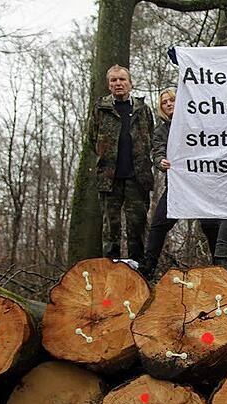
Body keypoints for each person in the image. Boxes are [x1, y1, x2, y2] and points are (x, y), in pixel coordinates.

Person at [140, 88, 227, 278]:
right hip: (177, 188)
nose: (168, 104)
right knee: (159, 224)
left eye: (172, 100)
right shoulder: (161, 131)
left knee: (210, 226)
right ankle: (148, 267)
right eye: (164, 102)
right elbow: (157, 152)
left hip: (202, 187)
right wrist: (160, 161)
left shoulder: (199, 123)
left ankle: (221, 270)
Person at [93, 64, 154, 263]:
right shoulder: (101, 109)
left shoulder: (142, 109)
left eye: (122, 79)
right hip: (109, 179)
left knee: (137, 225)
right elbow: (92, 137)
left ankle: (139, 270)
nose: (118, 83)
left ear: (130, 83)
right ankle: (110, 270)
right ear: (109, 85)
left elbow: (150, 137)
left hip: (138, 177)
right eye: (114, 80)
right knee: (111, 228)